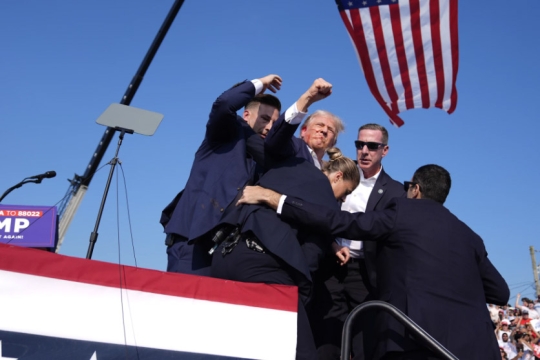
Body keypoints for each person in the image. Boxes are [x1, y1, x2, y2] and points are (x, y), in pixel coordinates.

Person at [238, 164, 510, 360]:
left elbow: (340, 221)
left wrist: (275, 198)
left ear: (415, 190)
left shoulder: (401, 213)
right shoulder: (469, 235)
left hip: (413, 341)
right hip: (475, 348)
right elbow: (500, 292)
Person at [161, 75, 332, 276]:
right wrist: (259, 84)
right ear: (246, 115)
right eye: (265, 119)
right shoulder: (223, 134)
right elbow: (224, 103)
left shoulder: (267, 157)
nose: (269, 127)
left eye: (274, 123)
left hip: (227, 251)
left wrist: (306, 100)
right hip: (192, 243)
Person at [210, 147, 359, 360]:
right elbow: (311, 256)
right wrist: (299, 296)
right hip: (264, 270)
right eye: (346, 192)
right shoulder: (327, 199)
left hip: (224, 256)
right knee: (302, 352)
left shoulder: (291, 166)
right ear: (338, 177)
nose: (343, 200)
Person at [312, 123, 405, 360]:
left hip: (366, 274)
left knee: (363, 343)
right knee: (326, 339)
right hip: (329, 266)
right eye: (359, 144)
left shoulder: (395, 191)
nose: (364, 150)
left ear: (384, 150)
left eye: (372, 146)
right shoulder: (334, 173)